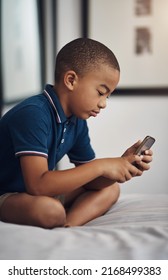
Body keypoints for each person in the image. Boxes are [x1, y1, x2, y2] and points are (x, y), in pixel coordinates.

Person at [0, 38, 153, 228]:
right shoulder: (33, 113)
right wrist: (102, 165)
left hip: (38, 195)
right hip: (8, 194)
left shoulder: (77, 121)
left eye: (108, 96)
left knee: (111, 189)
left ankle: (68, 227)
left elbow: (91, 182)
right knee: (50, 210)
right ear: (71, 80)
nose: (104, 103)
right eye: (100, 92)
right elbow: (38, 184)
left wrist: (121, 165)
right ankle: (60, 219)